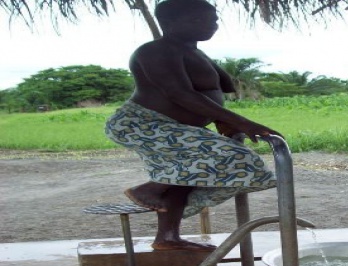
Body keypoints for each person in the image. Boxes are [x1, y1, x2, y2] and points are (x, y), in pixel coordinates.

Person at [105, 0, 282, 251]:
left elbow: (222, 88)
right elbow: (179, 93)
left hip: (177, 128)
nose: (212, 24)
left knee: (186, 177)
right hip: (143, 124)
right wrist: (241, 121)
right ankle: (149, 189)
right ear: (168, 22)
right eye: (199, 19)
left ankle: (167, 238)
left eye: (214, 19)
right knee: (237, 158)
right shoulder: (155, 50)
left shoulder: (196, 53)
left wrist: (224, 121)